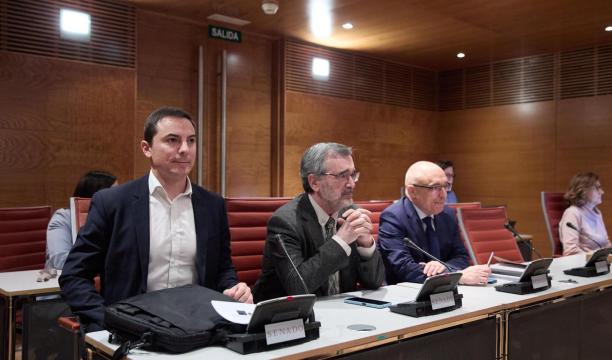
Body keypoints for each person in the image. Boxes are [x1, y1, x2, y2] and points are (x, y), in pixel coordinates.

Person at [60, 106, 252, 332]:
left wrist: (234, 289)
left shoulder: (213, 205)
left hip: (197, 328)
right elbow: (74, 276)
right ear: (146, 148)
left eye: (191, 141)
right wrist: (109, 320)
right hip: (134, 330)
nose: (185, 149)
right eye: (172, 140)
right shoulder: (112, 202)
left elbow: (222, 269)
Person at [252, 142, 385, 302]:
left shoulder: (350, 214)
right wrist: (341, 242)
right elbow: (298, 286)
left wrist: (366, 246)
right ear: (314, 182)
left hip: (343, 314)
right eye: (342, 176)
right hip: (291, 319)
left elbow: (375, 282)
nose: (351, 183)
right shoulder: (284, 222)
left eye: (353, 175)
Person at [377, 161, 491, 285]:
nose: (444, 195)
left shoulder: (447, 215)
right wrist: (457, 277)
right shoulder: (393, 218)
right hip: (407, 293)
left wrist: (443, 267)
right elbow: (404, 269)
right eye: (435, 188)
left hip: (443, 293)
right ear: (412, 191)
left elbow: (462, 257)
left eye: (446, 186)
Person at [46, 171, 117, 270]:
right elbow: (60, 260)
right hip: (71, 279)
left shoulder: (115, 218)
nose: (119, 197)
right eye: (114, 193)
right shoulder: (63, 218)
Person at [558, 172, 611, 256]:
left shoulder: (597, 212)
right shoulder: (573, 213)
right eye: (597, 188)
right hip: (581, 265)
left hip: (599, 263)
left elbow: (606, 243)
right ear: (583, 190)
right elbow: (570, 251)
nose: (602, 192)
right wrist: (594, 256)